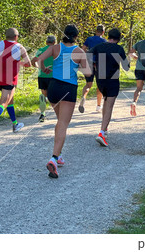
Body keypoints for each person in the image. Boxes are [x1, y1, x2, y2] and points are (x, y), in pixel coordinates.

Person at [36, 24, 91, 178]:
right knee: (63, 124)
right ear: (76, 36)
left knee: (60, 121)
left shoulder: (54, 48)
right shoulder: (79, 51)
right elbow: (87, 72)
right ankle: (53, 158)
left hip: (53, 87)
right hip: (68, 89)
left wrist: (44, 69)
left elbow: (39, 60)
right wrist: (79, 66)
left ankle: (58, 156)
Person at [91, 28, 130, 147]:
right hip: (112, 80)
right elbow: (126, 67)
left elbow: (87, 57)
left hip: (100, 80)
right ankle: (101, 132)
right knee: (109, 105)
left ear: (108, 36)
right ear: (118, 39)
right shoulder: (119, 49)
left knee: (106, 101)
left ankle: (105, 129)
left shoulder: (98, 47)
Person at [78, 24, 106, 113]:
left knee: (88, 84)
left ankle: (84, 97)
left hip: (88, 63)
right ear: (103, 32)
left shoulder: (89, 39)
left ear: (96, 31)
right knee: (99, 85)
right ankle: (98, 106)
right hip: (99, 64)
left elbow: (82, 49)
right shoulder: (104, 41)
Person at [129, 27, 145, 116]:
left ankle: (134, 102)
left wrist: (137, 57)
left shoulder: (139, 43)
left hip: (139, 68)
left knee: (138, 88)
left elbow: (131, 53)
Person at [31, 35, 56, 122]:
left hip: (42, 75)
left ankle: (42, 114)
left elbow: (33, 61)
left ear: (46, 42)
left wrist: (38, 67)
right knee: (53, 95)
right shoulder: (56, 51)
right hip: (53, 75)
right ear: (54, 42)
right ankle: (59, 113)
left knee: (44, 94)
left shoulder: (41, 50)